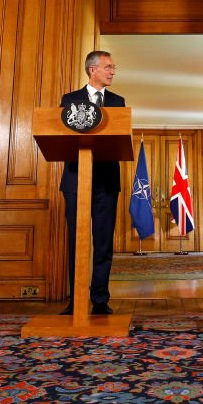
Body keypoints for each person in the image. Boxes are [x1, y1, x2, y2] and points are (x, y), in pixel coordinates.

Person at [59, 51, 124, 316]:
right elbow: (61, 136)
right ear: (92, 69)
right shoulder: (70, 99)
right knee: (77, 240)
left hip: (107, 181)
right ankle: (76, 300)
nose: (112, 72)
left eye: (113, 67)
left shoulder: (118, 102)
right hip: (76, 179)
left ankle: (99, 300)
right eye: (108, 67)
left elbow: (118, 137)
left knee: (104, 242)